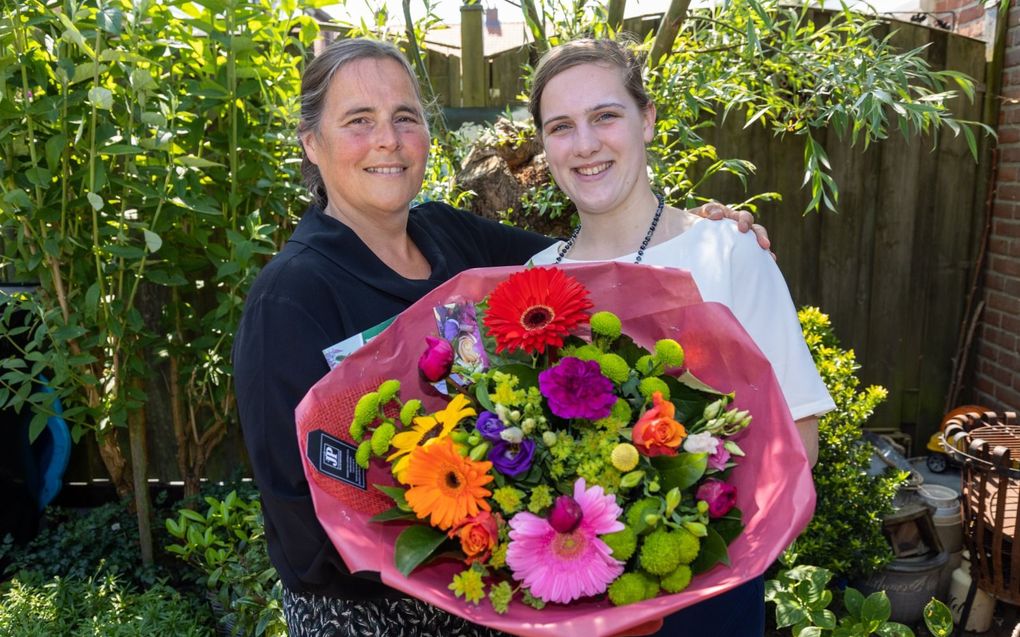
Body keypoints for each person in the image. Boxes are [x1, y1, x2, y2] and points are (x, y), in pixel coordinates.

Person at [233, 37, 770, 637]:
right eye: (359, 120)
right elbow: (300, 519)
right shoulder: (290, 299)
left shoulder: (453, 241)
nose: (388, 139)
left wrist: (699, 229)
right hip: (374, 615)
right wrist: (461, 562)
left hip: (506, 597)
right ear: (312, 142)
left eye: (405, 117)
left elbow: (593, 261)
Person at [526, 38, 836, 636]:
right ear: (544, 146)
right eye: (560, 127)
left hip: (706, 592)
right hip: (566, 598)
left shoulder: (726, 252)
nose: (585, 144)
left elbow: (798, 439)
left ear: (647, 119)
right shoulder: (531, 282)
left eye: (605, 116)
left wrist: (679, 544)